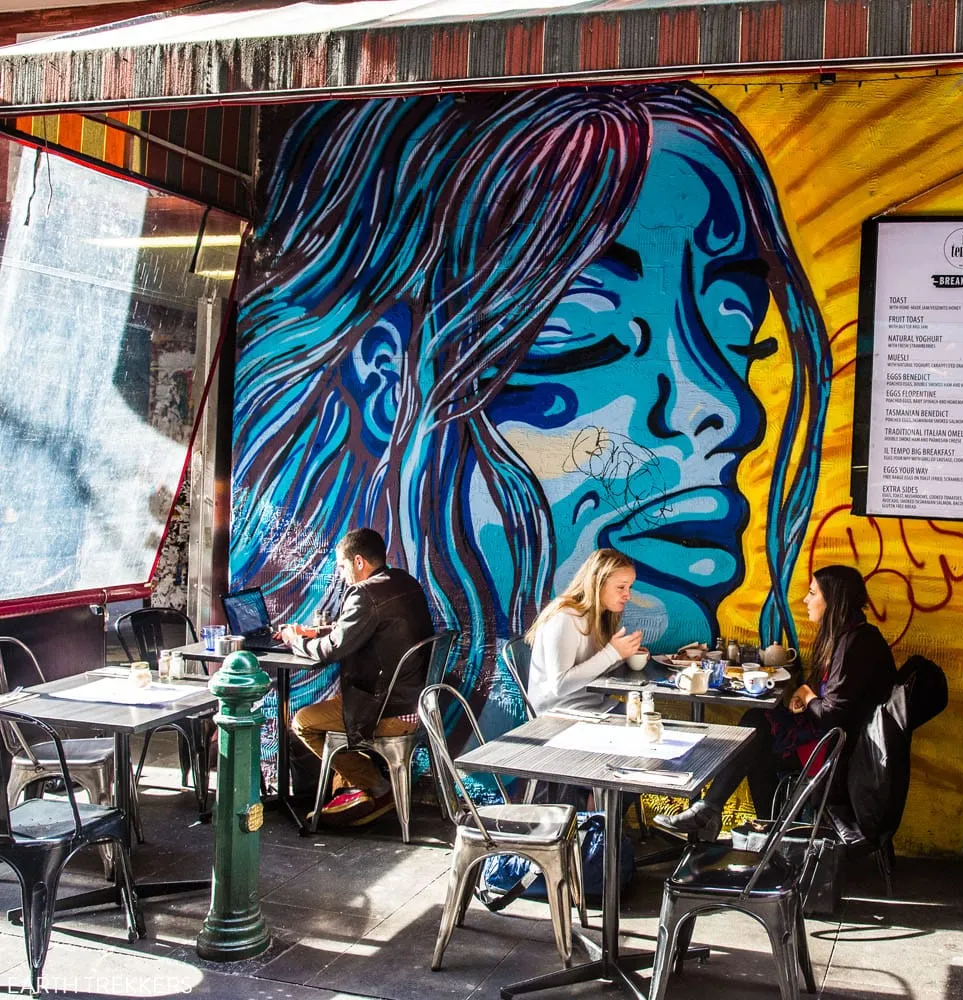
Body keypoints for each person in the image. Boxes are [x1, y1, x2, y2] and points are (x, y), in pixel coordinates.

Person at [230, 85, 832, 741]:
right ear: (386, 386)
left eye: (734, 321)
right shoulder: (556, 627)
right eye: (583, 323)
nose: (724, 407)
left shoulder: (554, 619)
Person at [654, 565, 897, 839]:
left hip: (841, 754)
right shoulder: (852, 636)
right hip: (839, 742)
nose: (805, 599)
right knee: (756, 732)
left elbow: (832, 714)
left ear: (834, 601)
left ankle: (720, 816)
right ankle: (754, 831)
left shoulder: (855, 644)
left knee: (755, 731)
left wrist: (806, 694)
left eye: (812, 593)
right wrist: (806, 695)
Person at [278, 528, 435, 828]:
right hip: (415, 703)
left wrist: (292, 639)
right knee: (332, 712)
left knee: (303, 722)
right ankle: (353, 790)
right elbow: (355, 630)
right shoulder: (404, 582)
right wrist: (316, 632)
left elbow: (331, 651)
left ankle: (374, 786)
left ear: (359, 561)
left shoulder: (364, 593)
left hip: (386, 710)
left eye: (341, 565)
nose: (340, 573)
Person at [525, 548, 644, 716]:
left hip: (594, 706)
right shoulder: (564, 618)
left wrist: (625, 654)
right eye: (621, 587)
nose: (628, 595)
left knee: (647, 718)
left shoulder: (599, 615)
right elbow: (559, 686)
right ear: (597, 583)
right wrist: (613, 653)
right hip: (559, 714)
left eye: (629, 587)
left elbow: (593, 665)